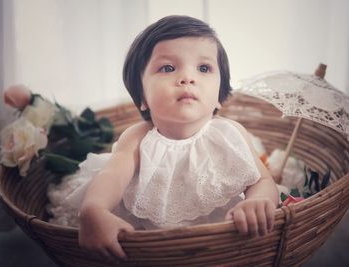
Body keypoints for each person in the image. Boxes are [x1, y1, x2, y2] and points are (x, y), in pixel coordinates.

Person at [48, 15, 278, 262]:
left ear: (220, 96)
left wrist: (259, 201)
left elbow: (263, 181)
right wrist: (94, 210)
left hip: (221, 237)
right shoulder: (138, 138)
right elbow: (112, 176)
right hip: (148, 240)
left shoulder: (231, 134)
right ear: (142, 96)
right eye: (168, 68)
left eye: (204, 68)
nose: (188, 78)